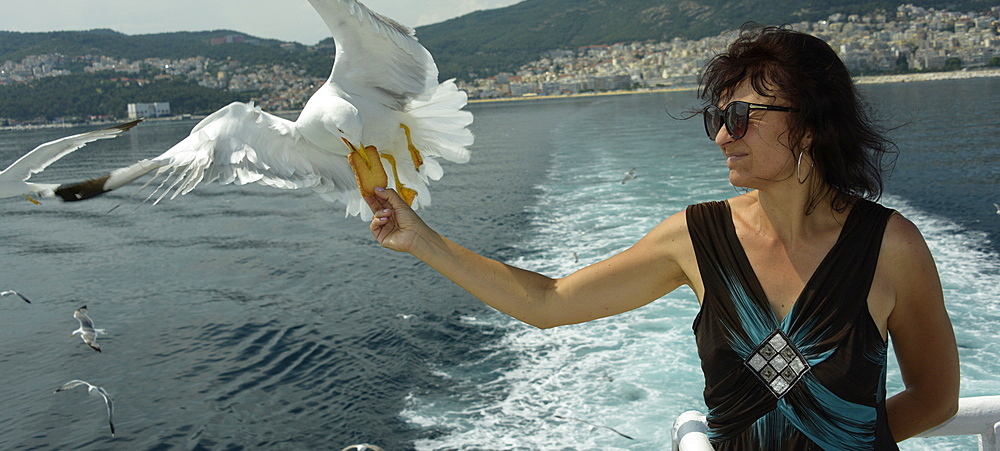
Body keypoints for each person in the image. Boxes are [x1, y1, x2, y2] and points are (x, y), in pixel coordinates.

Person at [364, 24, 959, 449]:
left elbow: (935, 397)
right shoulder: (694, 239)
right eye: (718, 118)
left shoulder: (891, 247)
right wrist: (421, 239)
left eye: (740, 117)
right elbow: (547, 304)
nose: (723, 137)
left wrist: (845, 437)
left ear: (808, 128)